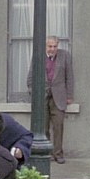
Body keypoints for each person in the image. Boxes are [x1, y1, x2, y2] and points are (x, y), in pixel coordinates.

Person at [27, 35, 74, 164]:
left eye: (55, 46)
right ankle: (46, 153)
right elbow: (31, 76)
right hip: (42, 97)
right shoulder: (38, 56)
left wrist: (69, 96)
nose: (52, 49)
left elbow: (69, 77)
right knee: (43, 127)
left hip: (59, 97)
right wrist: (33, 93)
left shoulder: (65, 56)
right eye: (50, 46)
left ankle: (58, 154)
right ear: (45, 46)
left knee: (58, 126)